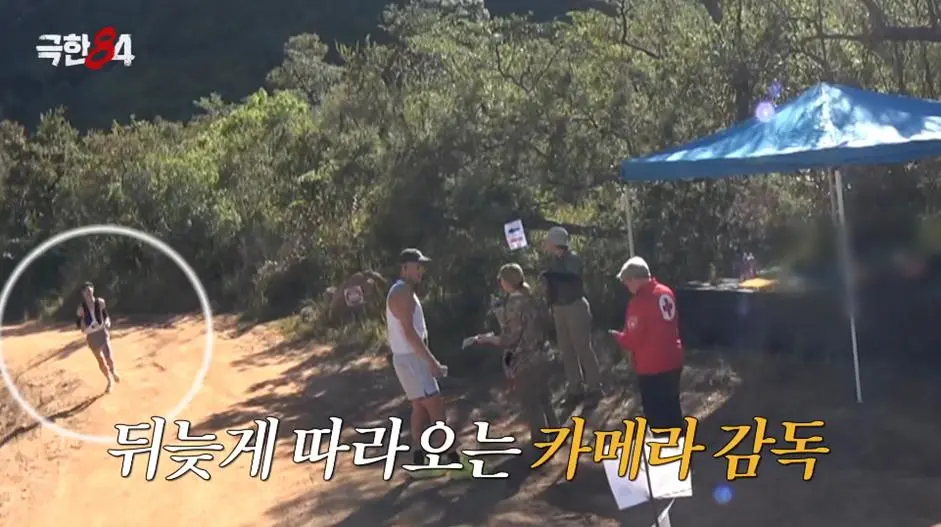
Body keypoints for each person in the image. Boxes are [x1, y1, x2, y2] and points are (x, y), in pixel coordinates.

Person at [386, 248, 470, 479]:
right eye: (417, 266)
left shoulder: (401, 290)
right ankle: (452, 459)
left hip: (406, 357)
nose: (421, 270)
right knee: (436, 408)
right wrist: (431, 361)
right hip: (413, 358)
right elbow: (409, 333)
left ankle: (419, 458)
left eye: (421, 266)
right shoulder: (403, 292)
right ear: (404, 268)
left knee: (419, 407)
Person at [468, 263, 559, 450]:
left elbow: (509, 338)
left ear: (507, 281)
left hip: (526, 359)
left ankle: (540, 443)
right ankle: (557, 435)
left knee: (532, 403)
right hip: (543, 354)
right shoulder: (531, 297)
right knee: (545, 398)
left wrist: (488, 338)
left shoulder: (514, 303)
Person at [608, 257, 685, 431]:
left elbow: (633, 340)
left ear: (636, 279)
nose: (626, 285)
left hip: (651, 366)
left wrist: (618, 337)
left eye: (627, 280)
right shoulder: (666, 292)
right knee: (673, 410)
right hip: (673, 360)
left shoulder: (638, 302)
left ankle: (663, 445)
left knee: (657, 416)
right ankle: (680, 443)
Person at [540, 226, 603, 402]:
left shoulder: (573, 259)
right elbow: (551, 286)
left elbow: (572, 278)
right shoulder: (553, 262)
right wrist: (549, 302)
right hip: (560, 308)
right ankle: (575, 388)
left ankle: (595, 387)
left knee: (583, 348)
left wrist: (551, 275)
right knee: (566, 349)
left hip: (575, 306)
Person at [74, 282, 121, 393]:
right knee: (100, 361)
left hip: (102, 331)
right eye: (86, 292)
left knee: (108, 356)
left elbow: (105, 315)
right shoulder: (81, 309)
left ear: (93, 290)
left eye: (90, 291)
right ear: (83, 294)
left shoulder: (100, 302)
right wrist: (83, 326)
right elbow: (78, 324)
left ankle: (113, 371)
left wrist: (107, 322)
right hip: (91, 336)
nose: (89, 294)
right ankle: (109, 380)